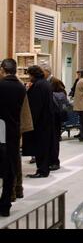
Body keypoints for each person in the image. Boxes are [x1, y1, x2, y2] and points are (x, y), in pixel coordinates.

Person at [0, 59, 26, 217]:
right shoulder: (21, 87)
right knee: (10, 167)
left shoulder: (0, 85)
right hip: (13, 131)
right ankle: (5, 203)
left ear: (3, 69)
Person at [22, 66, 54, 178]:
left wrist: (31, 122)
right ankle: (43, 169)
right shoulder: (45, 83)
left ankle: (42, 170)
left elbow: (35, 106)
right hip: (46, 120)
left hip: (40, 122)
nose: (29, 77)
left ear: (33, 74)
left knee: (41, 147)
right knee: (44, 146)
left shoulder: (38, 85)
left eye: (29, 75)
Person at [49, 78, 70, 171]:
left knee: (53, 142)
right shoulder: (63, 94)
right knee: (56, 141)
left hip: (53, 120)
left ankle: (53, 161)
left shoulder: (52, 95)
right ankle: (55, 161)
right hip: (60, 119)